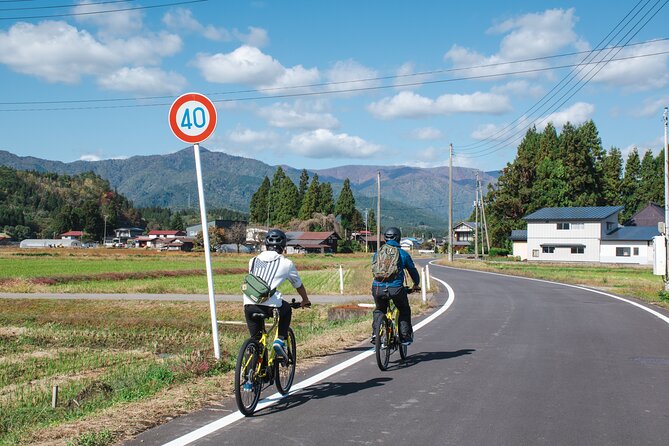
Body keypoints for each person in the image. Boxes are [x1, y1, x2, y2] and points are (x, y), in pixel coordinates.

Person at [243, 229, 311, 358]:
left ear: (266, 244)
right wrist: (305, 300)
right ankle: (279, 340)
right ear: (283, 246)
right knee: (286, 309)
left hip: (249, 303)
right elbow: (298, 285)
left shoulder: (252, 260)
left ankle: (251, 374)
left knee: (256, 340)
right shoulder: (286, 263)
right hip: (271, 306)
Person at [371, 227, 421, 345]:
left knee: (379, 309)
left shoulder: (378, 253)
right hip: (396, 288)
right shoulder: (403, 254)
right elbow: (413, 271)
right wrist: (416, 284)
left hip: (377, 288)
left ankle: (375, 334)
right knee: (404, 309)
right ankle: (404, 336)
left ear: (385, 238)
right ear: (398, 238)